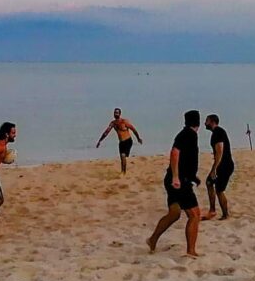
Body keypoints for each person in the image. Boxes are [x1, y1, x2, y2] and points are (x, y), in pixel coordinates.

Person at [147, 110, 202, 257]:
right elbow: (174, 153)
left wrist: (193, 177)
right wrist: (176, 177)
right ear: (198, 122)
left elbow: (185, 158)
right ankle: (191, 251)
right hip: (179, 181)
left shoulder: (186, 134)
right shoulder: (189, 134)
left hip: (176, 179)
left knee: (174, 213)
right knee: (195, 215)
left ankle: (152, 239)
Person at [203, 114, 234, 220]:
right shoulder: (216, 133)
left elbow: (220, 151)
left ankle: (225, 214)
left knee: (219, 190)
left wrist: (214, 169)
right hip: (222, 165)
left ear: (212, 122)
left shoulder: (218, 132)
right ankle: (212, 211)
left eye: (207, 121)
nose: (205, 123)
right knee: (209, 183)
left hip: (225, 165)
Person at [96, 108, 143, 174]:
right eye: (115, 113)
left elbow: (133, 129)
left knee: (123, 156)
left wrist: (138, 138)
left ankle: (124, 172)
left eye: (117, 113)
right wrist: (100, 141)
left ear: (120, 114)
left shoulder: (124, 121)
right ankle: (123, 171)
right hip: (121, 142)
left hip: (128, 141)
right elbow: (106, 132)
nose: (116, 114)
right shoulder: (113, 123)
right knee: (122, 157)